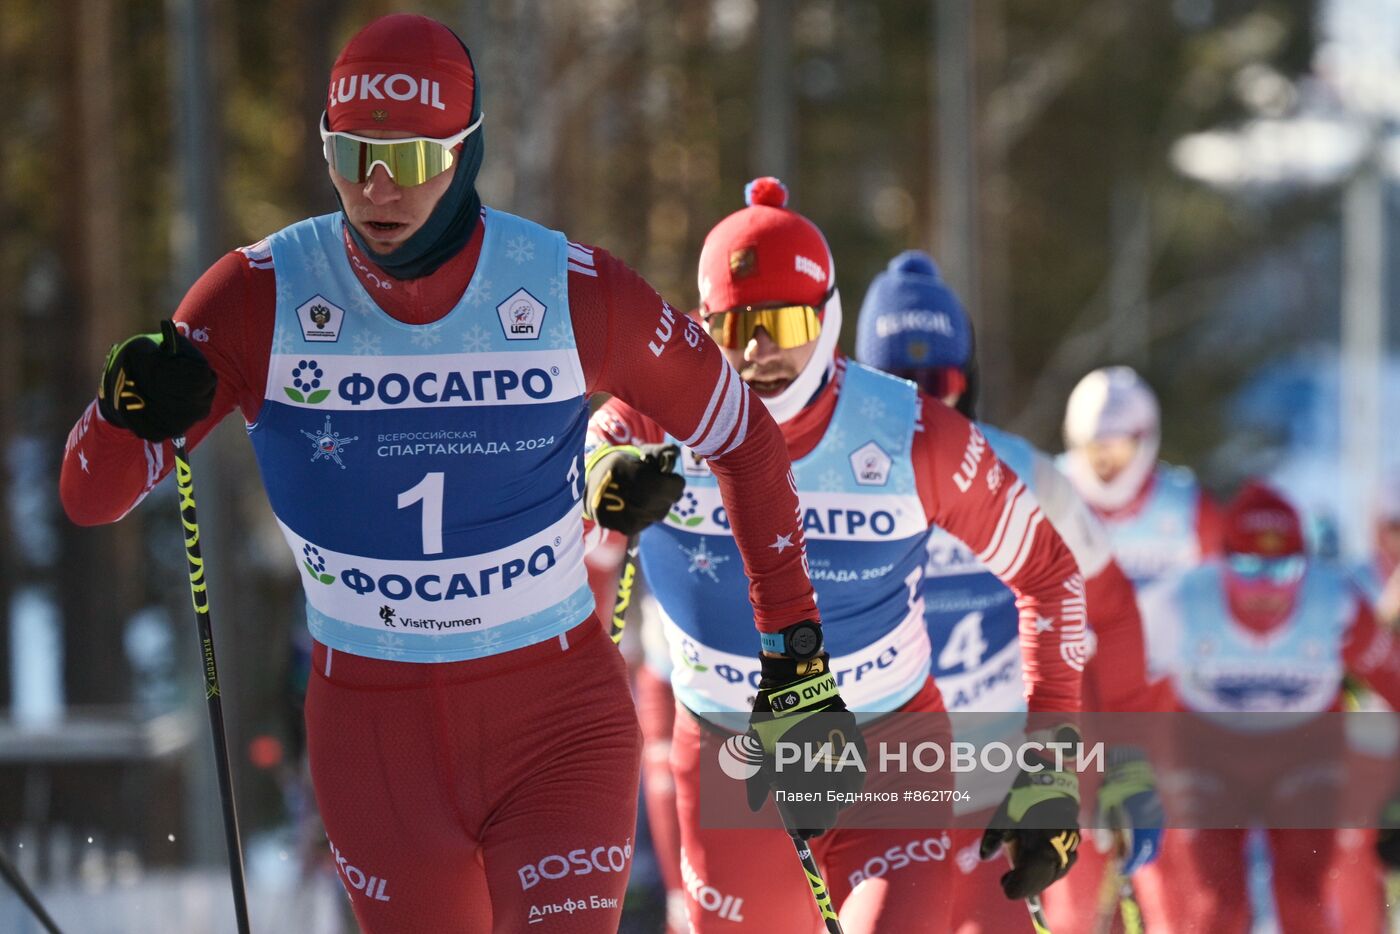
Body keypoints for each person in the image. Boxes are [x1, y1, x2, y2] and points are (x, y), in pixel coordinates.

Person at [58, 15, 830, 933]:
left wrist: (794, 656)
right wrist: (122, 414)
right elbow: (89, 495)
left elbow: (743, 436)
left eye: (416, 160)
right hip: (374, 738)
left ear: (466, 153)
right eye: (353, 155)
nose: (380, 188)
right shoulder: (256, 295)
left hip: (556, 722)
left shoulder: (570, 289)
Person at [586, 178, 1089, 932]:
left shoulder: (909, 432)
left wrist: (1050, 770)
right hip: (730, 759)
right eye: (736, 325)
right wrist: (596, 485)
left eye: (784, 323)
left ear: (827, 320)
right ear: (703, 323)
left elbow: (1050, 574)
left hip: (886, 746)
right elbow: (570, 470)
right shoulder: (654, 411)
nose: (759, 351)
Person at [854, 251, 1164, 934]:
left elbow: (1109, 611)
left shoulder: (1022, 472)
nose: (921, 405)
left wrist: (1128, 757)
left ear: (969, 383)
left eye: (940, 381)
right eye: (896, 381)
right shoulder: (818, 476)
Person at [1134, 482, 1400, 933]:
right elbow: (1108, 679)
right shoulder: (1179, 601)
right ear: (1220, 560)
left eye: (1282, 571)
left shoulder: (1334, 602)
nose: (1265, 588)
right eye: (1247, 566)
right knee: (1216, 902)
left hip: (1304, 759)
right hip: (1208, 760)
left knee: (1303, 897)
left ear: (1307, 565)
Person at [1059, 366, 1223, 595]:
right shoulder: (1044, 495)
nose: (1106, 465)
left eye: (1119, 450)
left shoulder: (1192, 511)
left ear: (1145, 441)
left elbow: (1210, 599)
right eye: (1095, 450)